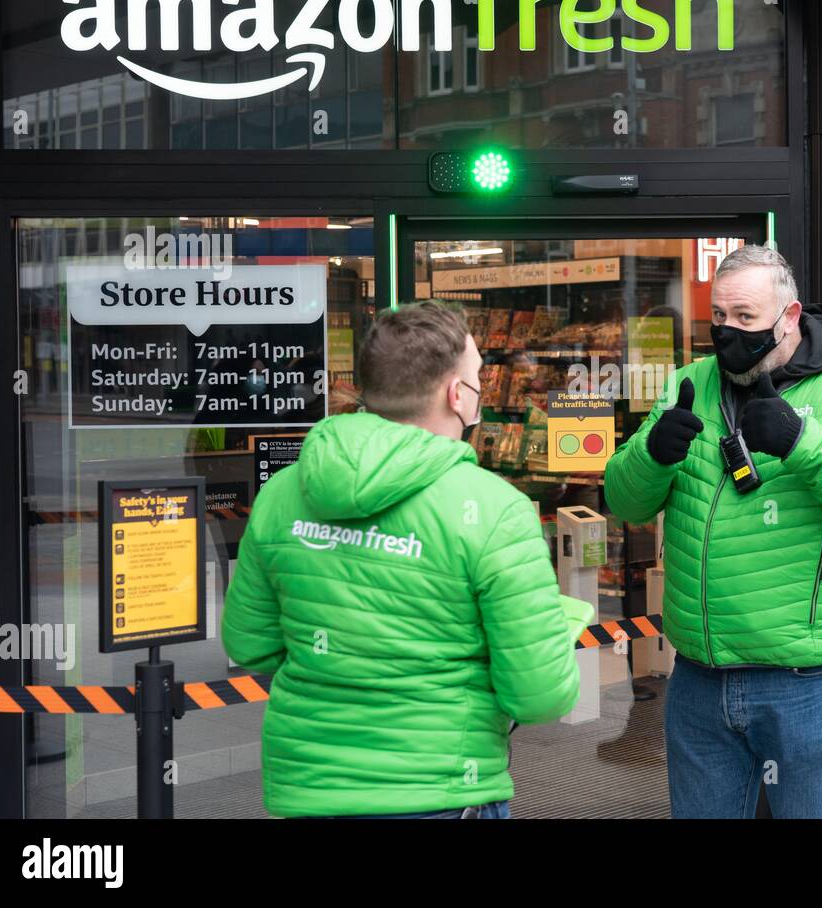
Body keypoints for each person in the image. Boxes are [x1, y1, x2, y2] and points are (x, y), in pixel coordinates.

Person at [222, 300, 591, 819]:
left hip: (305, 787)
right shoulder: (496, 509)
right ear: (455, 393)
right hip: (441, 791)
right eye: (478, 375)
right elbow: (539, 697)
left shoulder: (284, 491)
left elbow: (250, 643)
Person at [603, 245, 822, 818]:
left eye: (746, 318)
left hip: (805, 680)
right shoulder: (689, 383)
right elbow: (625, 500)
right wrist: (652, 455)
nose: (728, 331)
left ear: (790, 316)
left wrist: (805, 442)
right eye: (719, 317)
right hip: (699, 677)